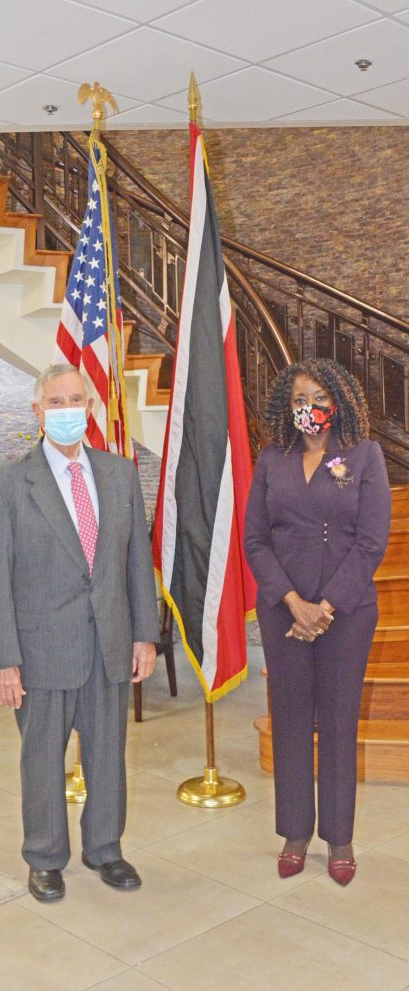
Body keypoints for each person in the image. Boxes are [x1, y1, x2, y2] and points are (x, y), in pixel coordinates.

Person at [0, 364, 160, 903]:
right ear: (38, 412)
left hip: (109, 644)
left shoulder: (119, 474)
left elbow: (134, 562)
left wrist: (143, 635)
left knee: (108, 753)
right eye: (56, 401)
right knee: (42, 758)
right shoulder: (5, 485)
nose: (67, 409)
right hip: (39, 649)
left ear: (92, 407)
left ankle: (105, 848)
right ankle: (45, 856)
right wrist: (4, 659)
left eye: (76, 399)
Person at [244, 359, 390, 885]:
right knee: (288, 719)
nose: (309, 407)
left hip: (345, 613)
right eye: (299, 398)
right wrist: (291, 601)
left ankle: (340, 838)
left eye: (319, 396)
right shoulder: (272, 459)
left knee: (336, 721)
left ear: (341, 401)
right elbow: (255, 539)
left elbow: (373, 541)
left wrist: (325, 607)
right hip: (284, 610)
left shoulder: (365, 456)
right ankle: (295, 833)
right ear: (289, 405)